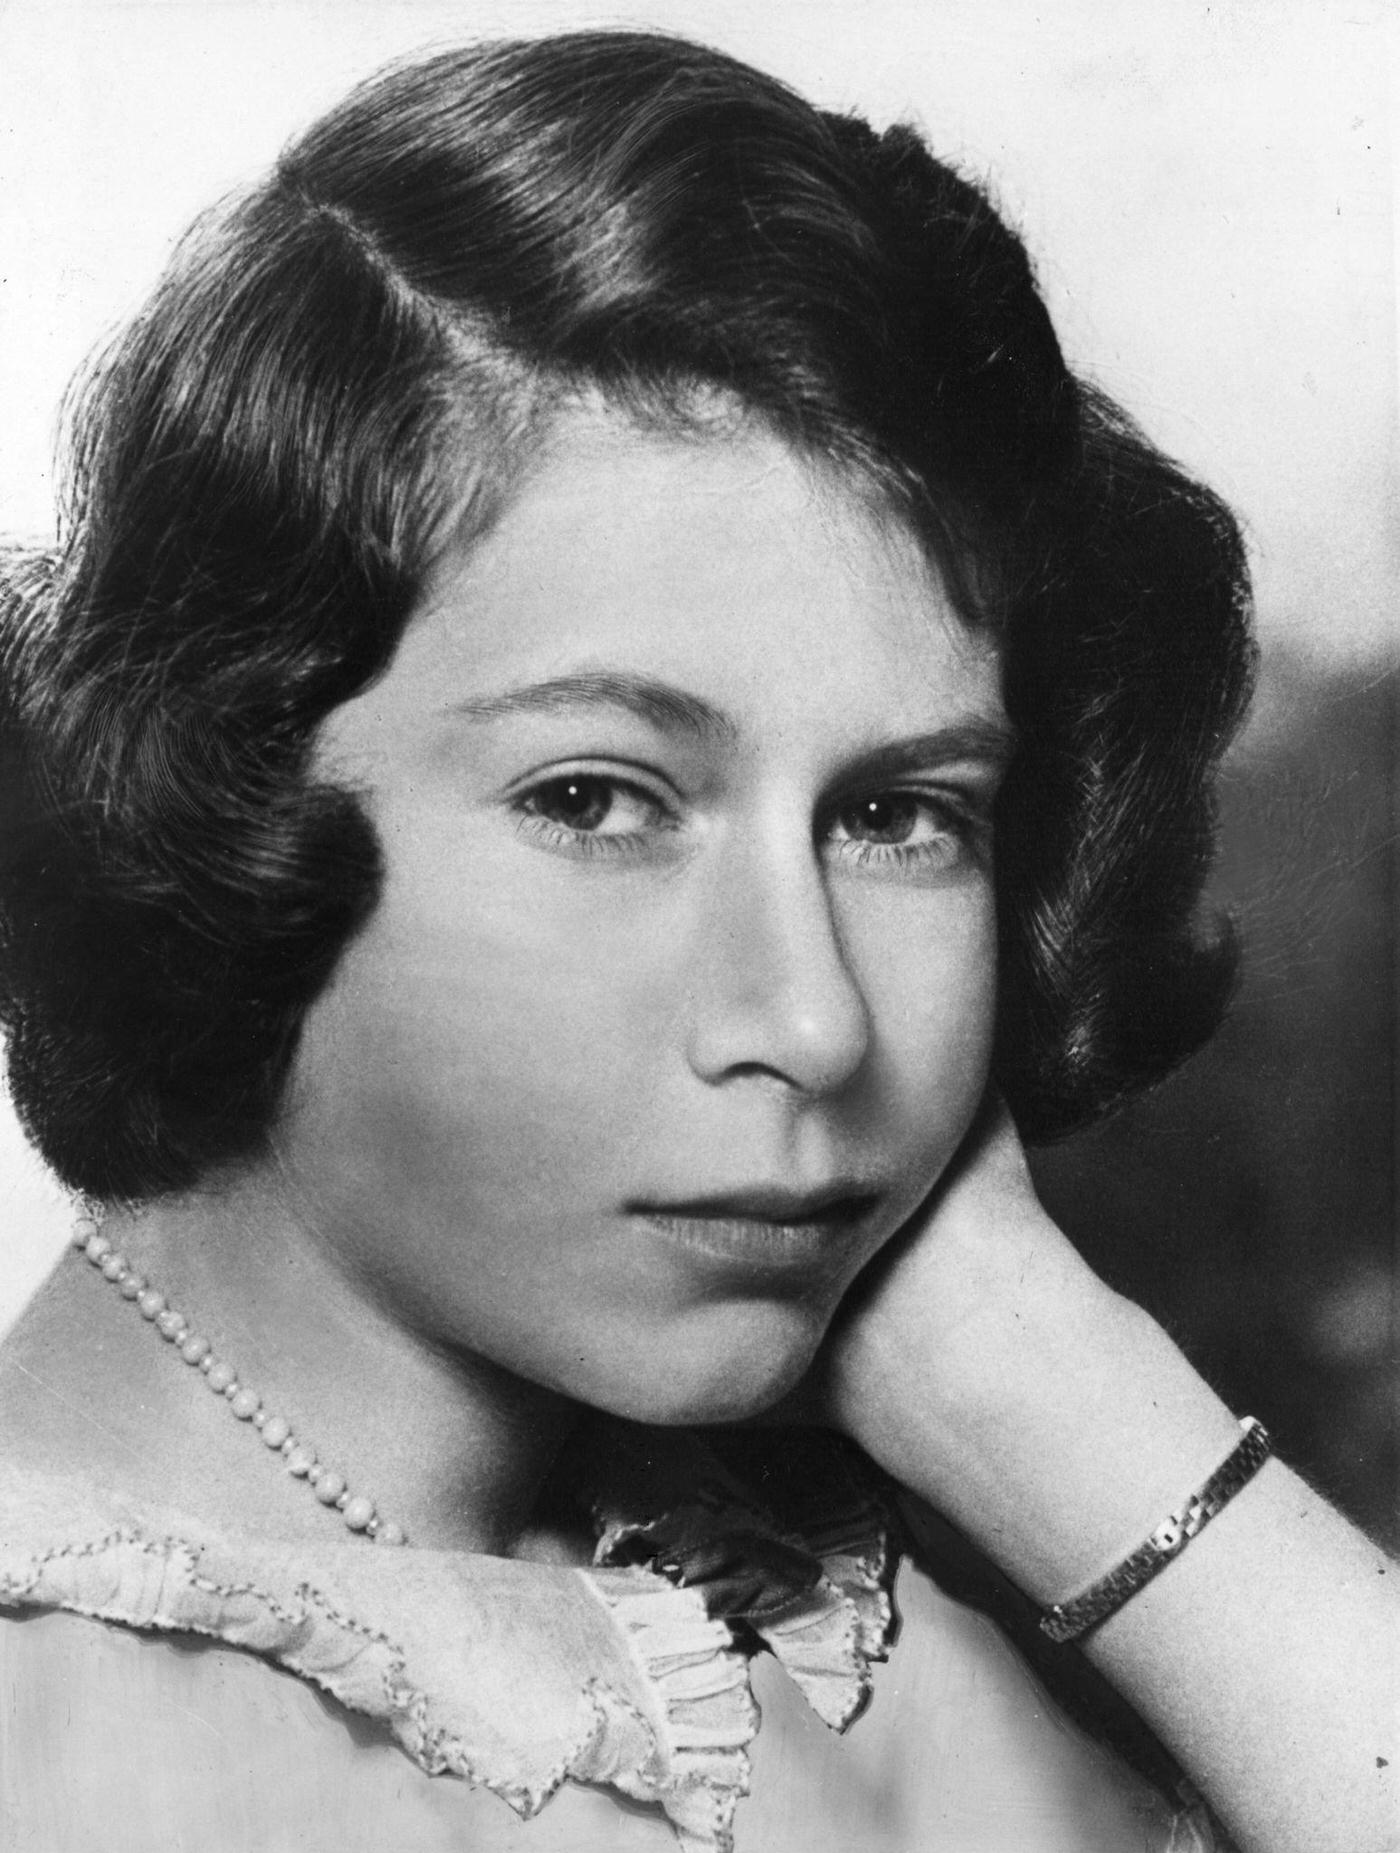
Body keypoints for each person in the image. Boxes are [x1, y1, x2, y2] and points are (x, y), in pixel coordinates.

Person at [0, 29, 1392, 1853]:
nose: (812, 1021)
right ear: (215, 782)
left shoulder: (813, 1623)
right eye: (596, 799)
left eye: (903, 816)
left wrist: (1046, 1389)